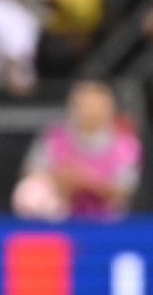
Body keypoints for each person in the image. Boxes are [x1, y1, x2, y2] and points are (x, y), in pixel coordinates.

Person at [12, 80, 142, 221]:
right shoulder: (54, 136)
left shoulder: (126, 145)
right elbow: (31, 172)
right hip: (57, 215)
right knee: (29, 191)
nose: (90, 112)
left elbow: (124, 191)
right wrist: (59, 177)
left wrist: (86, 180)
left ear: (110, 109)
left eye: (96, 106)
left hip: (104, 219)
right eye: (84, 105)